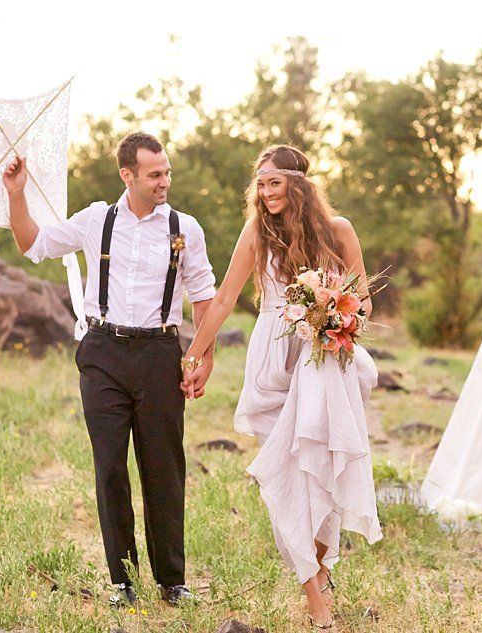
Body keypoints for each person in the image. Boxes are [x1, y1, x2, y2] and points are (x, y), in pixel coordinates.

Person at [2, 132, 216, 607]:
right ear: (128, 174)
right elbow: (32, 243)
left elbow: (203, 296)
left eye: (167, 172)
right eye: (155, 174)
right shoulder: (96, 220)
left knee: (163, 467)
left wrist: (204, 356)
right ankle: (123, 581)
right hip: (103, 352)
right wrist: (16, 195)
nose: (165, 181)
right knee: (110, 467)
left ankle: (172, 582)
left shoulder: (186, 227)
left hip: (161, 353)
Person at [180, 144, 382, 629]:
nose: (267, 192)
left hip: (327, 356)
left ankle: (318, 564)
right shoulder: (258, 233)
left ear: (298, 185)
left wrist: (336, 309)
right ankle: (314, 595)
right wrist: (194, 352)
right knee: (287, 478)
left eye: (275, 182)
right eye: (261, 184)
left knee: (322, 469)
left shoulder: (339, 231)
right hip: (275, 356)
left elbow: (366, 303)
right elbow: (225, 298)